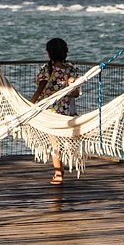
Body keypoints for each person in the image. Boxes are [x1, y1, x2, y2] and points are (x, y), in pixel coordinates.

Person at [30, 36, 83, 185]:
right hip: (66, 112)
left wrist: (28, 106)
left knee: (55, 143)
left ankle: (58, 174)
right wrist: (66, 89)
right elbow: (75, 93)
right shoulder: (71, 68)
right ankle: (61, 169)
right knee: (62, 141)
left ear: (49, 53)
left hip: (50, 112)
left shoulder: (47, 69)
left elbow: (40, 90)